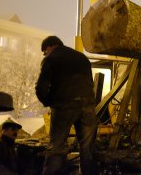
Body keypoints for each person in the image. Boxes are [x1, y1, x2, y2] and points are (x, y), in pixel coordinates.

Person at [35, 36, 97, 175]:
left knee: (56, 146)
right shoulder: (82, 58)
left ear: (49, 46)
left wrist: (49, 102)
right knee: (87, 148)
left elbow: (41, 87)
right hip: (87, 105)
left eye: (45, 51)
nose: (45, 54)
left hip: (64, 105)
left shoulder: (51, 58)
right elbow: (90, 83)